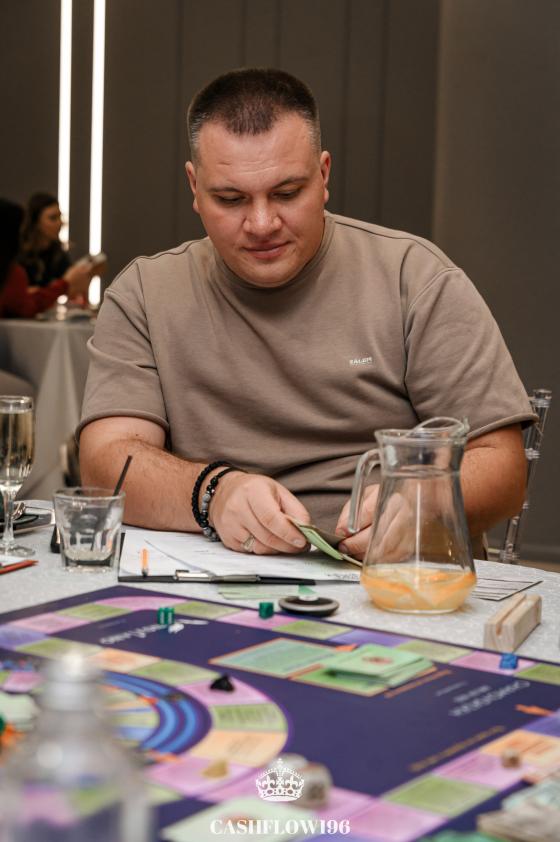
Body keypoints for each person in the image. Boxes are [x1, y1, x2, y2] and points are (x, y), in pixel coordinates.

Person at [78, 67, 534, 561]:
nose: (261, 224)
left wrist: (421, 504)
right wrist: (212, 493)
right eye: (230, 199)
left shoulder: (414, 279)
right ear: (194, 185)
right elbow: (106, 463)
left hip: (391, 577)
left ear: (323, 175)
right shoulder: (145, 294)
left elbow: (504, 471)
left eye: (287, 193)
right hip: (213, 576)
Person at [0, 198, 91, 318]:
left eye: (60, 217)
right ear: (35, 223)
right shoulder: (16, 261)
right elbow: (23, 304)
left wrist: (87, 275)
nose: (60, 223)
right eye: (53, 218)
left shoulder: (59, 255)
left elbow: (74, 292)